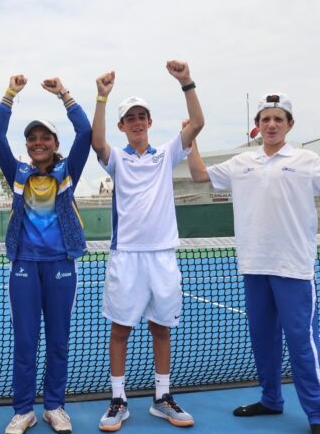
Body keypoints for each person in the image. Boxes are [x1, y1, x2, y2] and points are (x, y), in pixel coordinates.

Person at [186, 93, 320, 434]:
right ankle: (271, 400)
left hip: (294, 269)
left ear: (289, 125)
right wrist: (191, 138)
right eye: (265, 119)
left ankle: (317, 415)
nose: (271, 124)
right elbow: (198, 175)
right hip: (254, 267)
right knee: (263, 341)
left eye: (278, 119)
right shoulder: (241, 163)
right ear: (257, 126)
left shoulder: (307, 160)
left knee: (301, 345)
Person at [91, 63, 204, 431]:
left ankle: (162, 397)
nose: (137, 122)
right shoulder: (117, 159)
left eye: (142, 116)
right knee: (120, 330)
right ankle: (118, 400)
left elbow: (197, 124)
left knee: (161, 328)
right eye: (130, 118)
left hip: (162, 256)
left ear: (150, 121)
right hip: (126, 257)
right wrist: (102, 98)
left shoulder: (166, 154)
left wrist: (186, 82)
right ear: (122, 126)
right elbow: (97, 142)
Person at [0, 75, 92, 434]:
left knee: (58, 340)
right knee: (25, 341)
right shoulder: (17, 172)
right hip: (25, 267)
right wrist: (9, 95)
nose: (37, 142)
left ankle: (54, 407)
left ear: (55, 143)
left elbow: (86, 132)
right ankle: (23, 411)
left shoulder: (67, 171)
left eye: (45, 137)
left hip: (61, 265)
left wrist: (64, 94)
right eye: (32, 138)